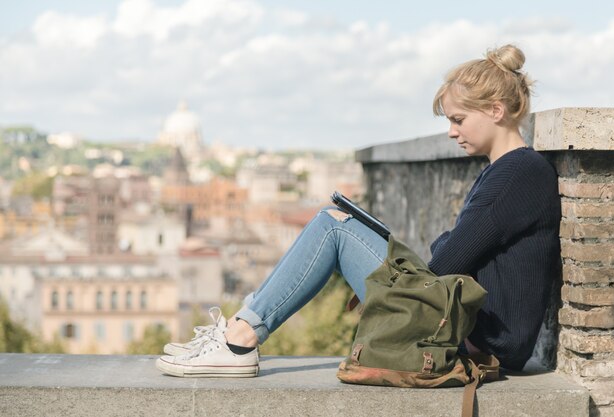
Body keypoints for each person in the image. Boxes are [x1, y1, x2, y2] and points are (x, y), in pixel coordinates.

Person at [155, 44, 561, 377]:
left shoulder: (516, 174)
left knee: (333, 226)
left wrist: (416, 257)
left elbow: (447, 263)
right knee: (335, 222)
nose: (452, 131)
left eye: (458, 119)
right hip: (473, 331)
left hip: (479, 341)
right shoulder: (510, 170)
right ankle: (239, 332)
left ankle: (237, 340)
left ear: (495, 110)